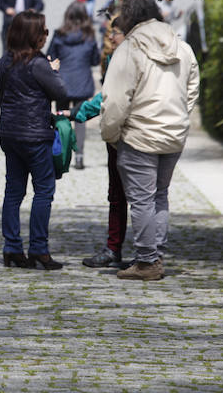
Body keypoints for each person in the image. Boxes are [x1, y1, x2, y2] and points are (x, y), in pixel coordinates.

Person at [101, 0, 199, 280]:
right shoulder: (182, 47)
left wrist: (111, 135)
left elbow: (115, 101)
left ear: (129, 17)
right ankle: (155, 255)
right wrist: (178, 117)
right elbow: (192, 88)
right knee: (160, 195)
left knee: (142, 199)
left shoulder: (129, 48)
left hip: (139, 135)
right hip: (173, 134)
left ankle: (146, 261)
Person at [0, 12, 69, 270]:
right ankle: (39, 248)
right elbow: (61, 93)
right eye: (43, 31)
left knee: (13, 191)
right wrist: (54, 71)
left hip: (10, 134)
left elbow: (1, 98)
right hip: (35, 136)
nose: (46, 35)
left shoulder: (4, 62)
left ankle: (12, 247)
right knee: (44, 190)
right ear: (33, 35)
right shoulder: (38, 64)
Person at [69, 16, 129, 268]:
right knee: (116, 194)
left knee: (141, 197)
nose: (111, 37)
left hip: (133, 132)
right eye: (110, 32)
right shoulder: (112, 58)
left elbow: (109, 97)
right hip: (115, 132)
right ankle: (115, 247)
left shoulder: (131, 60)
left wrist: (79, 112)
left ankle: (147, 253)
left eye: (116, 32)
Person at [47, 2, 101, 170]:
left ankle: (61, 154)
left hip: (62, 82)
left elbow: (50, 56)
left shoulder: (59, 35)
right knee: (80, 118)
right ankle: (79, 155)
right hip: (82, 81)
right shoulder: (89, 36)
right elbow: (95, 60)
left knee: (61, 118)